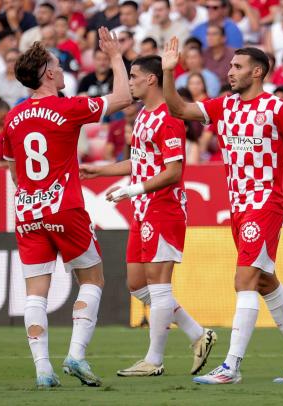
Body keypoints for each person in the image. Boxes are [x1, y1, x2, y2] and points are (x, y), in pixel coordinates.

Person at [161, 37, 283, 384]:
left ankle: (231, 366)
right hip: (238, 207)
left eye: (237, 67)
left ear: (257, 71)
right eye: (231, 66)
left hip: (264, 203)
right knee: (265, 281)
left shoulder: (277, 109)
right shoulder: (225, 105)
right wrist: (167, 70)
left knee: (245, 280)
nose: (230, 71)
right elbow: (178, 109)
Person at [2, 27, 132, 388]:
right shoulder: (68, 107)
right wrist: (116, 56)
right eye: (58, 66)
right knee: (92, 277)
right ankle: (75, 355)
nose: (62, 71)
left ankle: (43, 370)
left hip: (27, 212)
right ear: (47, 74)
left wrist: (31, 194)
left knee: (35, 292)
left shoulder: (12, 118)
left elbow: (13, 167)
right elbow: (124, 96)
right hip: (65, 208)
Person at [79, 55, 217, 378]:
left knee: (158, 285)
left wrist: (134, 190)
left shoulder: (169, 118)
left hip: (163, 208)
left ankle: (154, 360)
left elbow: (174, 172)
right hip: (142, 209)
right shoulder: (142, 116)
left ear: (152, 79)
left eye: (134, 76)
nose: (129, 81)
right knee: (137, 284)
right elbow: (136, 163)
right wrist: (99, 171)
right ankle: (197, 333)